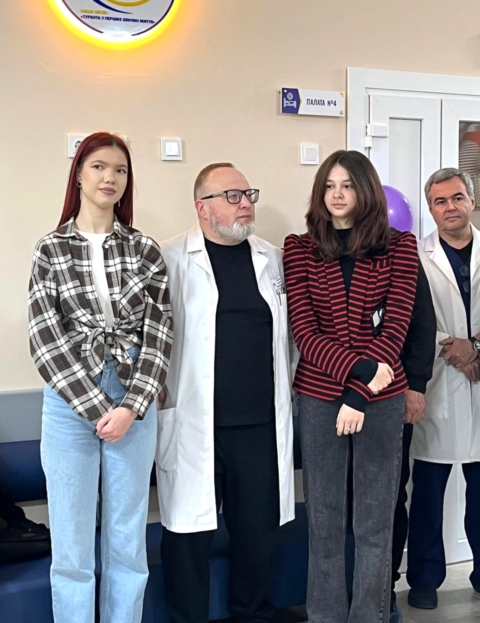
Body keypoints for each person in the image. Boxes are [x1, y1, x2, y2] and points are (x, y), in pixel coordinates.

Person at [28, 132, 173, 623]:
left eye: (120, 170)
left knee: (127, 538)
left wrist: (131, 407)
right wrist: (97, 409)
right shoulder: (50, 249)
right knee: (70, 543)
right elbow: (45, 339)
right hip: (69, 401)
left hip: (134, 397)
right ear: (78, 175)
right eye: (99, 167)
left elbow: (160, 334)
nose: (110, 177)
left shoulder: (144, 249)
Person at [283, 149, 419, 623]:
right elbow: (305, 332)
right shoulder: (299, 248)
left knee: (374, 523)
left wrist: (360, 395)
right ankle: (325, 616)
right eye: (328, 185)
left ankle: (369, 616)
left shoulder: (400, 246)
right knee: (324, 521)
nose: (337, 194)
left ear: (366, 190)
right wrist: (360, 374)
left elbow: (396, 328)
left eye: (347, 185)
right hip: (320, 397)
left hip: (381, 399)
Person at [156, 162, 295, 623]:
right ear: (203, 207)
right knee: (188, 535)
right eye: (233, 196)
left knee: (258, 532)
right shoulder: (170, 258)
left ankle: (250, 614)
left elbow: (292, 337)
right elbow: (149, 332)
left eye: (248, 194)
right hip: (195, 422)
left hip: (259, 424)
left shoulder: (272, 258)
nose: (246, 203)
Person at [407, 168, 480, 610]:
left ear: (472, 200)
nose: (449, 207)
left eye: (456, 198)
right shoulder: (416, 257)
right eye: (440, 201)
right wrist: (455, 349)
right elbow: (408, 322)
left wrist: (475, 347)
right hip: (435, 387)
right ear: (430, 209)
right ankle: (423, 580)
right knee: (428, 496)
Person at [389, 264, 436, 623]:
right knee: (336, 503)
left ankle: (383, 588)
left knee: (390, 496)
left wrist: (416, 384)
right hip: (329, 396)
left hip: (394, 393)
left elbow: (422, 322)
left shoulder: (399, 249)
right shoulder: (315, 248)